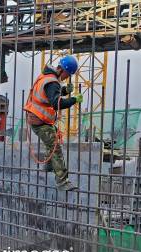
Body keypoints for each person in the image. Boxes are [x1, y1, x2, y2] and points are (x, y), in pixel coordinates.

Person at [24, 55, 83, 191]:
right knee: (55, 147)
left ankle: (49, 164)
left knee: (54, 135)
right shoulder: (52, 82)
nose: (67, 78)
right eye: (68, 75)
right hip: (39, 121)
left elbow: (50, 95)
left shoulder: (47, 77)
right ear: (64, 70)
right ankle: (62, 182)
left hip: (38, 118)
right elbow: (56, 103)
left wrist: (64, 91)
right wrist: (74, 99)